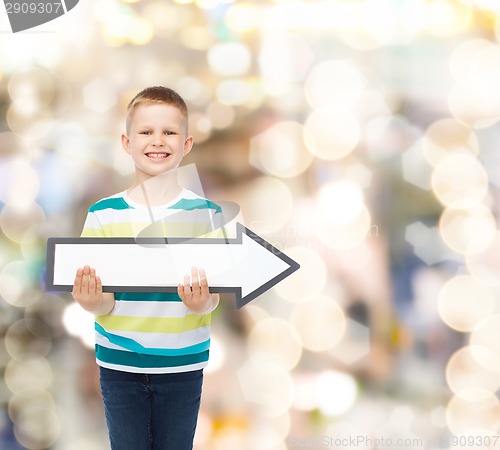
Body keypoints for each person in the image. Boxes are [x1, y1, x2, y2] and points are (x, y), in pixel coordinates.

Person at [71, 86, 222, 450]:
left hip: (182, 365)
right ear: (126, 142)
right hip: (119, 366)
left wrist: (203, 303)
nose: (158, 140)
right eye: (146, 132)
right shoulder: (102, 215)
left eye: (170, 132)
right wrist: (93, 303)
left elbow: (215, 294)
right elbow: (104, 299)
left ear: (186, 145)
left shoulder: (206, 214)